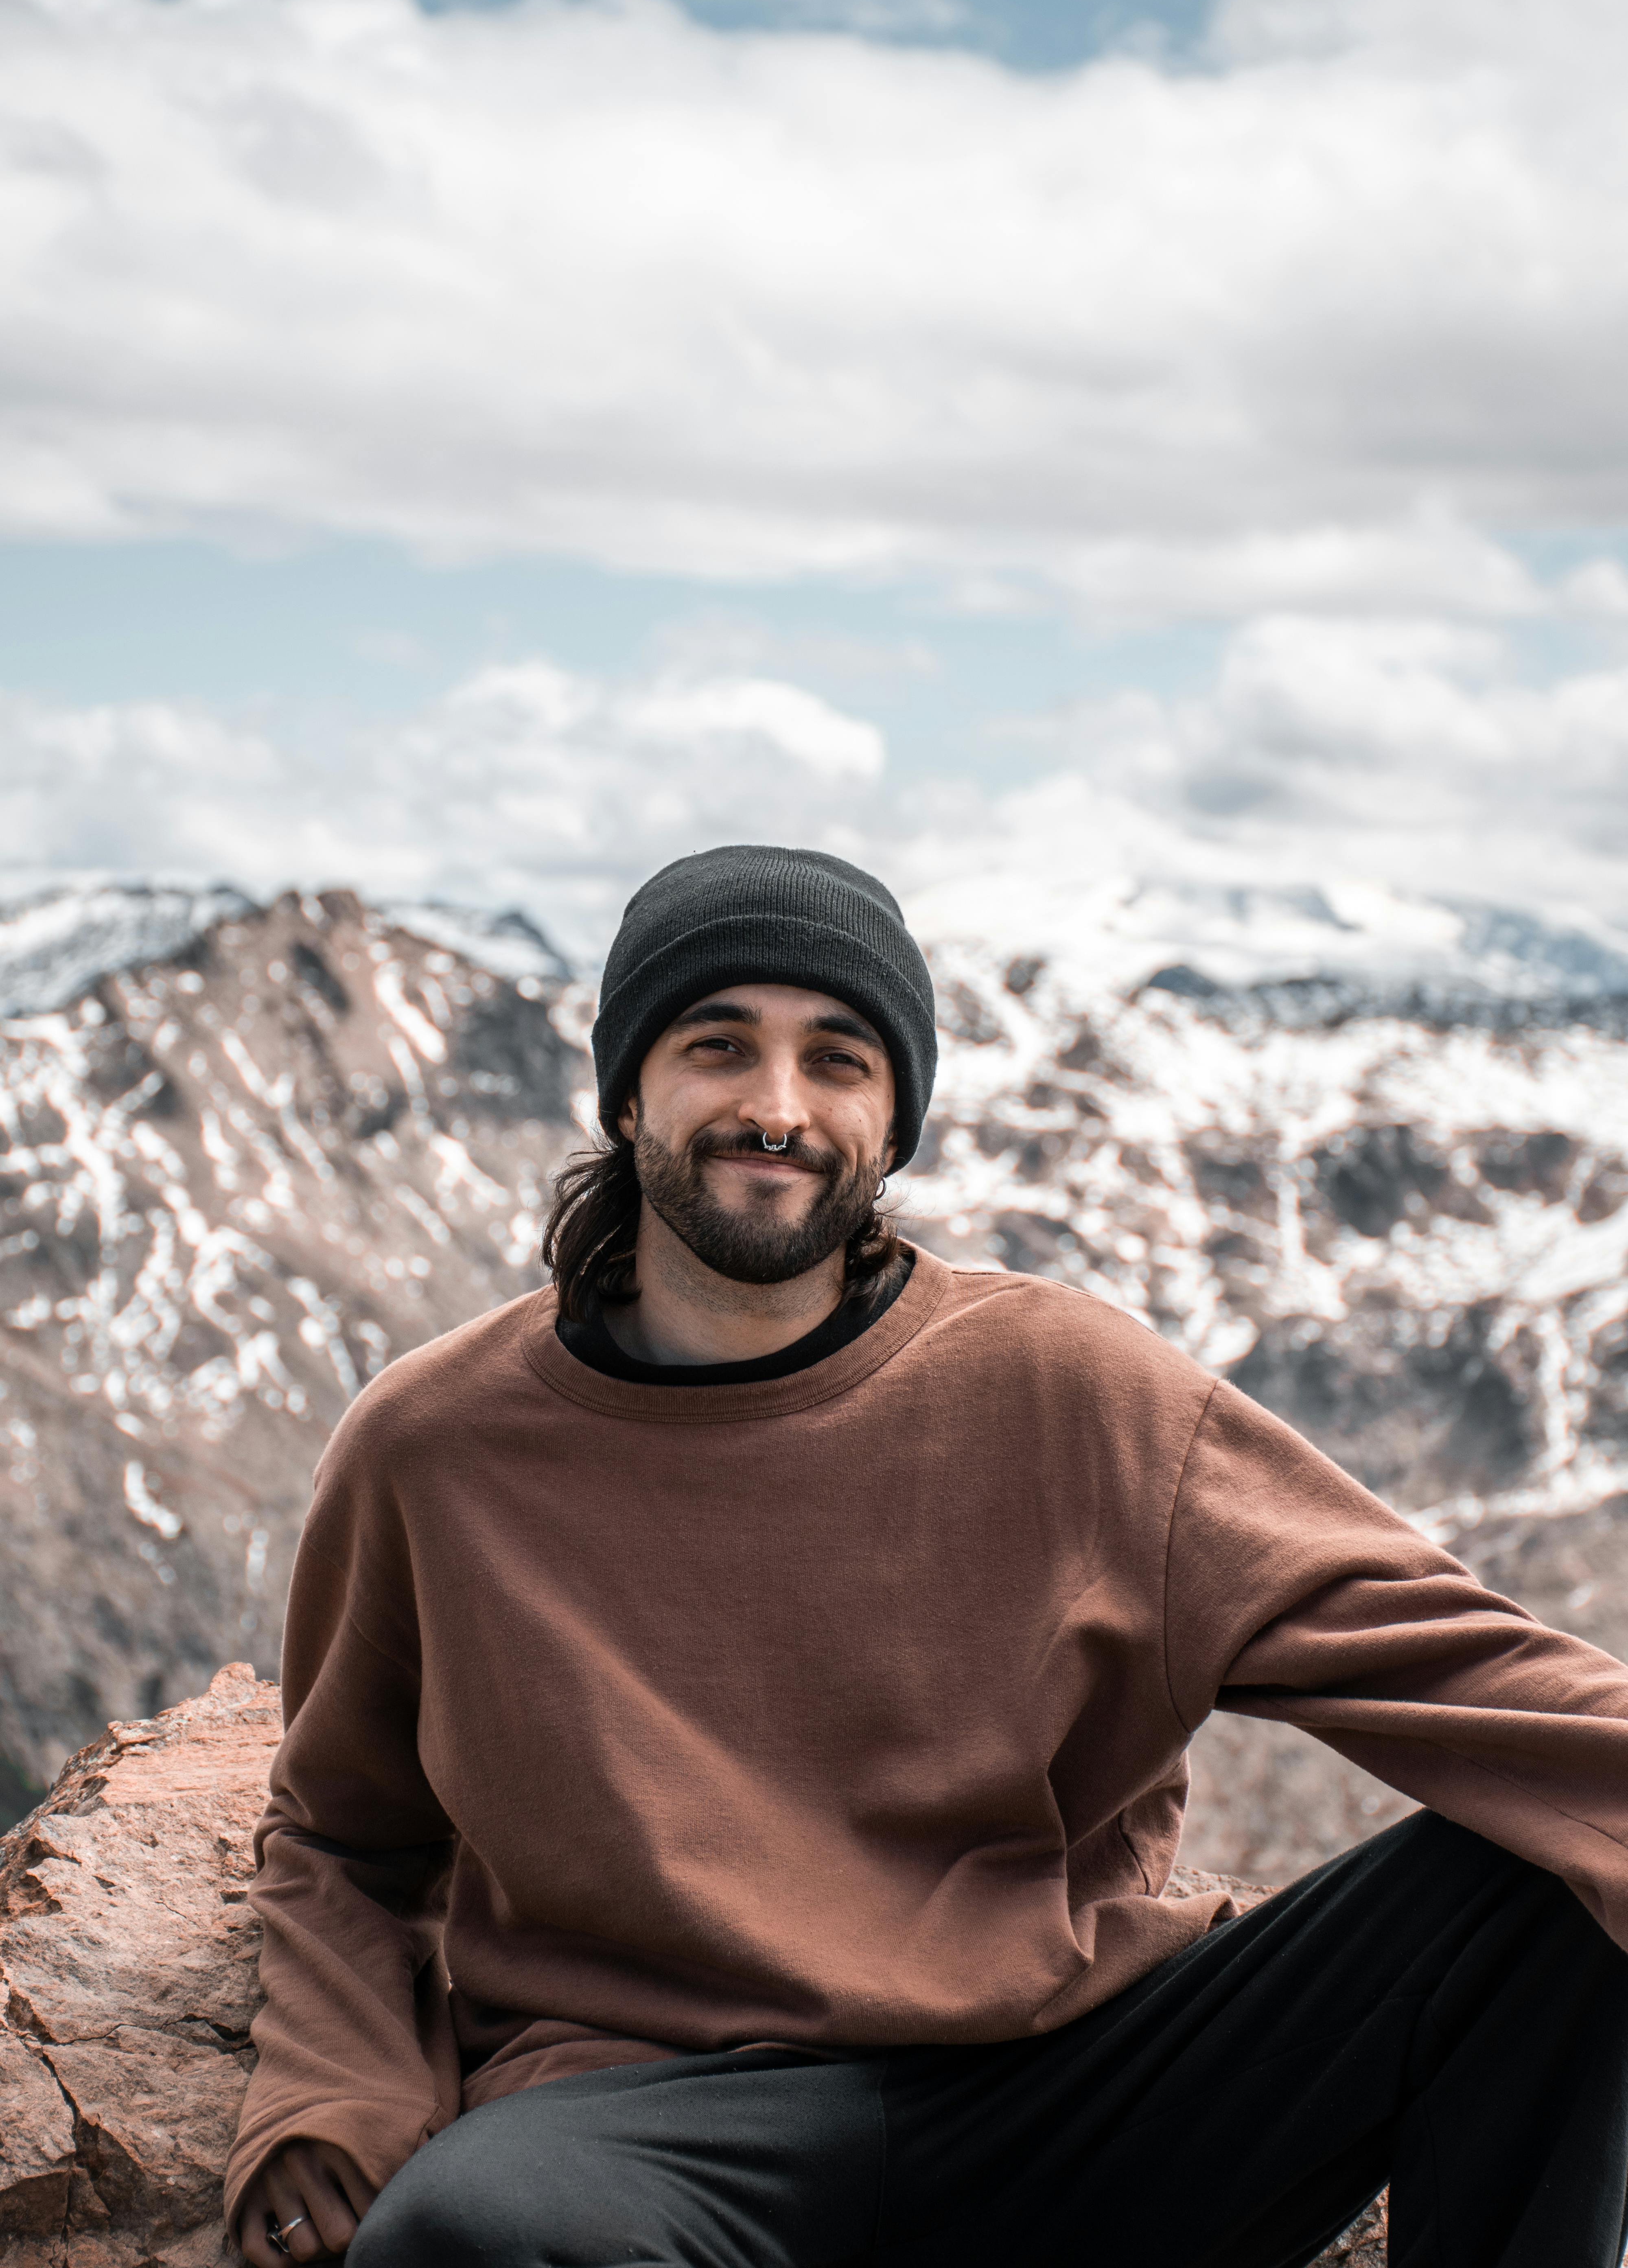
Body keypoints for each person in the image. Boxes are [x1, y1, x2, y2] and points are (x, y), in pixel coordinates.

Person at [227, 844, 1628, 2268]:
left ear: (893, 1120)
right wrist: (337, 2092)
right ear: (628, 1091)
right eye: (721, 1046)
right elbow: (343, 1832)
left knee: (1543, 1887)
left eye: (839, 1060)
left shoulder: (1068, 1386)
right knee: (466, 2235)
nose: (778, 1108)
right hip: (648, 2124)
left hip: (1074, 2089)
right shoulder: (435, 1443)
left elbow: (1450, 1662)